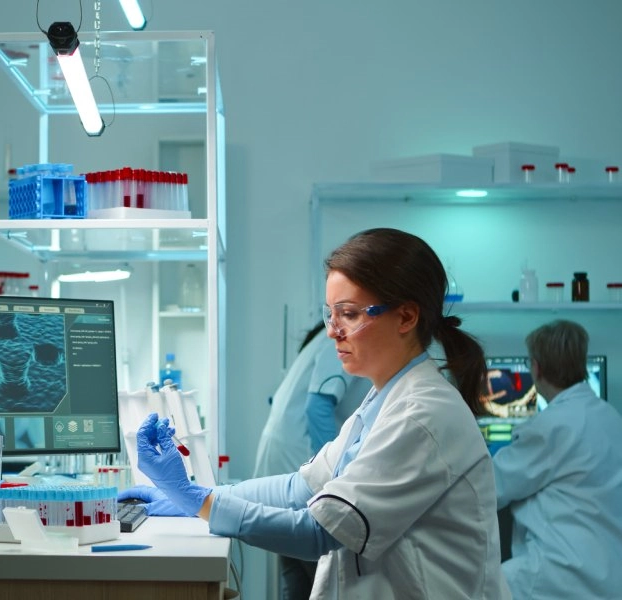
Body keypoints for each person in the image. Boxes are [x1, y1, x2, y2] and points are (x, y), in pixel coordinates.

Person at [121, 228, 509, 599]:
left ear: (407, 317)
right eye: (330, 314)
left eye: (349, 314)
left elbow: (318, 532)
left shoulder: (422, 414)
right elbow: (300, 488)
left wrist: (199, 502)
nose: (332, 331)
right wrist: (195, 496)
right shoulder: (382, 399)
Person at [492, 320, 622, 599]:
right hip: (609, 575)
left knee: (474, 585)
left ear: (536, 368)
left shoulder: (551, 426)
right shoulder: (610, 416)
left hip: (561, 574)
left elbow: (491, 487)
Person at [253, 322, 370, 600]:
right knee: (322, 578)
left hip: (286, 464)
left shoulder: (323, 338)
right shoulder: (345, 334)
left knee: (297, 580)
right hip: (300, 464)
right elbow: (317, 407)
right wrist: (340, 481)